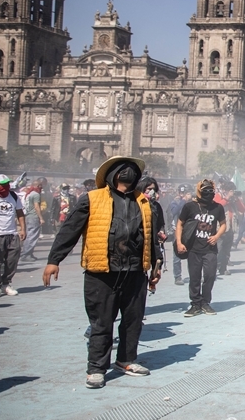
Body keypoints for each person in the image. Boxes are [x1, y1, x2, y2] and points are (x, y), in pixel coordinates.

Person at [43, 156, 162, 389]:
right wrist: (54, 259)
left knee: (133, 320)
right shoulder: (91, 199)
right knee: (101, 322)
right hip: (102, 271)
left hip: (135, 271)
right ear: (113, 174)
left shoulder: (143, 201)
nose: (129, 172)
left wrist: (155, 266)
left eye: (133, 169)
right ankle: (96, 368)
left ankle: (126, 360)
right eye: (124, 169)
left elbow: (151, 235)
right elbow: (70, 230)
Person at [175, 179, 226, 317]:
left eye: (211, 191)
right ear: (199, 191)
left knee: (210, 276)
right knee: (194, 278)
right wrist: (179, 242)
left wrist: (216, 236)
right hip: (193, 249)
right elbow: (180, 224)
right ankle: (195, 304)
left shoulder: (218, 208)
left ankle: (205, 302)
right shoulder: (190, 207)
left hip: (210, 249)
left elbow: (223, 225)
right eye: (205, 191)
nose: (208, 193)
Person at [0, 174, 26, 298]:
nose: (6, 187)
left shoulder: (13, 196)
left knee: (12, 261)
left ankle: (6, 284)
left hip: (12, 234)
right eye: (3, 185)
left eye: (7, 184)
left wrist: (23, 229)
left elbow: (20, 213)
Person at [136, 177, 167, 292]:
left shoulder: (156, 207)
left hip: (151, 249)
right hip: (135, 252)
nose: (151, 192)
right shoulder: (133, 205)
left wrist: (158, 264)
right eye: (148, 189)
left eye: (154, 189)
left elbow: (158, 233)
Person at [167, 185, 192, 285]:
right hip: (177, 231)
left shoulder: (191, 203)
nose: (183, 195)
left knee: (192, 255)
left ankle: (193, 275)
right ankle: (177, 277)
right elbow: (174, 212)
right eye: (182, 193)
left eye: (185, 193)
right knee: (177, 256)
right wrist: (183, 201)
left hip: (188, 231)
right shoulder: (175, 202)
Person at [21, 177, 47, 261]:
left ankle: (29, 253)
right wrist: (41, 218)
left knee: (30, 235)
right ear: (38, 185)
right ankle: (26, 254)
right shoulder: (36, 194)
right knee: (32, 236)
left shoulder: (29, 194)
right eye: (41, 186)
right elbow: (36, 207)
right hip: (34, 216)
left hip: (28, 216)